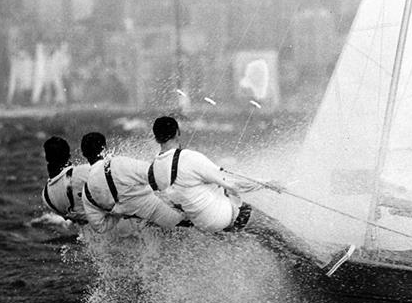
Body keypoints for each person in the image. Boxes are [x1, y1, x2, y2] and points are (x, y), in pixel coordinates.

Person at [148, 116, 354, 273]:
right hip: (221, 216)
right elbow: (232, 182)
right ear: (177, 133)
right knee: (274, 226)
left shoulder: (155, 167)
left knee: (262, 232)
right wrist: (267, 184)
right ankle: (324, 261)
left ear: (157, 137)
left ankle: (294, 262)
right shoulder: (188, 158)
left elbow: (172, 199)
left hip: (203, 223)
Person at [80, 132, 189, 234]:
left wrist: (119, 212)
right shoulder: (118, 163)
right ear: (105, 148)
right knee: (186, 226)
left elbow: (100, 227)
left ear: (84, 154)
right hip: (157, 210)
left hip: (134, 225)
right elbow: (154, 174)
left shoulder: (87, 190)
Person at [41, 136, 89, 224]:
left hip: (88, 233)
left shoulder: (46, 196)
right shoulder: (81, 172)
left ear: (47, 158)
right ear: (69, 155)